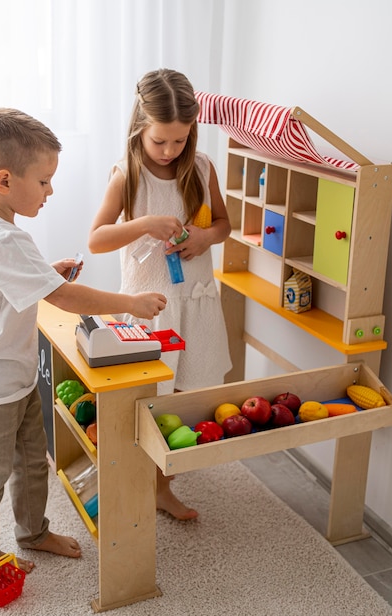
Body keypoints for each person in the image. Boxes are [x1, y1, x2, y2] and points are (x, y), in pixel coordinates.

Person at [0, 108, 167, 573]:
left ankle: (33, 532)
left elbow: (17, 281)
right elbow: (65, 299)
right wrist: (131, 303)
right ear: (4, 181)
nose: (51, 191)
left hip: (15, 378)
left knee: (31, 464)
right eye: (44, 181)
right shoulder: (2, 239)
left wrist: (45, 275)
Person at [88, 69, 232, 521]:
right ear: (139, 130)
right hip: (148, 309)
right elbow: (97, 239)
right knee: (147, 401)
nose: (170, 151)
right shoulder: (127, 175)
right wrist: (146, 223)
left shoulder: (202, 167)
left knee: (186, 399)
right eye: (160, 142)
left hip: (197, 303)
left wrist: (205, 238)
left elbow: (223, 224)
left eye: (179, 141)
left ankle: (161, 486)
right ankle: (133, 481)